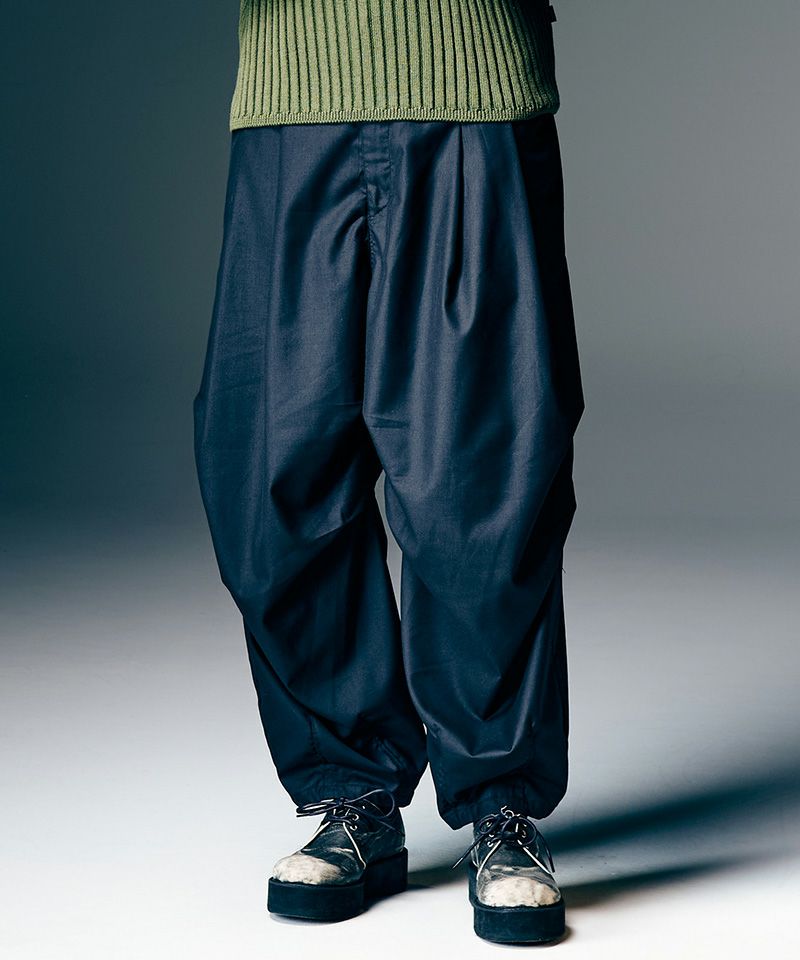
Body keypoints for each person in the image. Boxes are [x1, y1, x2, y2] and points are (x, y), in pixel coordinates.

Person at [193, 0, 584, 945]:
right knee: (270, 473)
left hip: (473, 87)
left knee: (483, 478)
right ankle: (354, 792)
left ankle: (501, 806)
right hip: (294, 95)